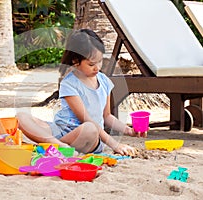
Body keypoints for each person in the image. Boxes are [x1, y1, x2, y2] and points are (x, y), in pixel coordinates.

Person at [16, 29, 145, 156]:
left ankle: (54, 146)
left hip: (88, 136)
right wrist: (115, 145)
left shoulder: (104, 81)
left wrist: (128, 130)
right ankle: (60, 146)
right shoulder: (69, 84)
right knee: (21, 117)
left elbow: (107, 116)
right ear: (75, 62)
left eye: (100, 61)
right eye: (91, 64)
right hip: (62, 131)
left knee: (90, 128)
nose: (97, 67)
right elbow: (85, 118)